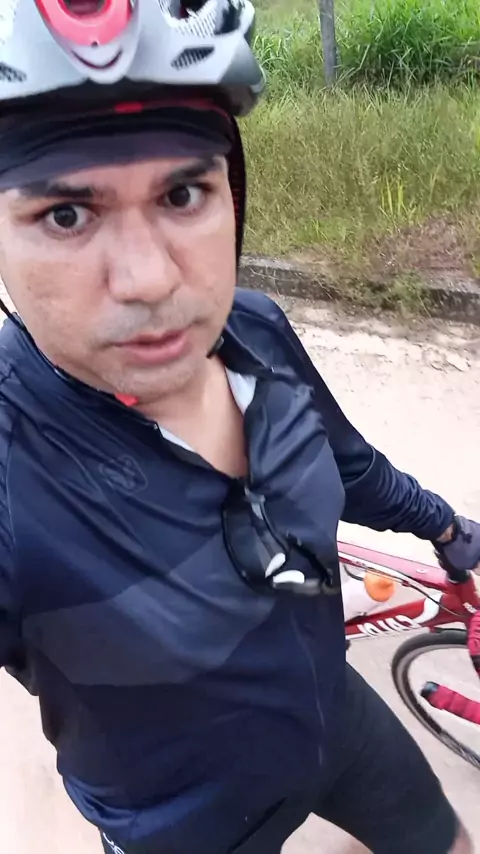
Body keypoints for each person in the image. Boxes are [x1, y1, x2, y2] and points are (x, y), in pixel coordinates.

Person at [0, 2, 478, 853]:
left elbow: (350, 466)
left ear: (234, 195)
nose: (149, 280)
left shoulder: (255, 331)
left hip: (337, 726)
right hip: (185, 823)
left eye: (183, 193)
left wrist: (445, 526)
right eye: (66, 215)